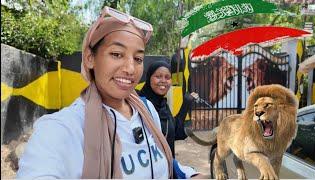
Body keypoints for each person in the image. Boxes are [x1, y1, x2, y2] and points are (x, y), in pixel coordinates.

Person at [16, 6, 204, 179]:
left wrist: (191, 175)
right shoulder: (61, 129)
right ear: (90, 58)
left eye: (138, 58)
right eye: (116, 54)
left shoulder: (147, 111)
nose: (130, 68)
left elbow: (162, 160)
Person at [138, 61, 199, 157]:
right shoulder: (139, 106)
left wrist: (185, 105)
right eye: (158, 76)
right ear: (149, 78)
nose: (163, 80)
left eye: (167, 77)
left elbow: (176, 133)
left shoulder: (163, 105)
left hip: (167, 167)